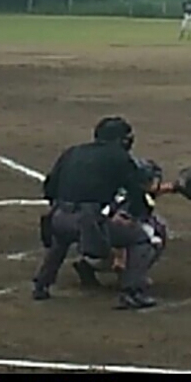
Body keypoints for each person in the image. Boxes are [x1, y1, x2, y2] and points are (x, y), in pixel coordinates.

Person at [32, 117, 159, 309]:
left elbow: (49, 187)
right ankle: (132, 293)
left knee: (61, 240)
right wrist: (135, 216)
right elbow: (135, 191)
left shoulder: (73, 152)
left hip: (58, 218)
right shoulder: (119, 157)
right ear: (120, 139)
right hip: (87, 221)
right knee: (141, 239)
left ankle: (41, 284)